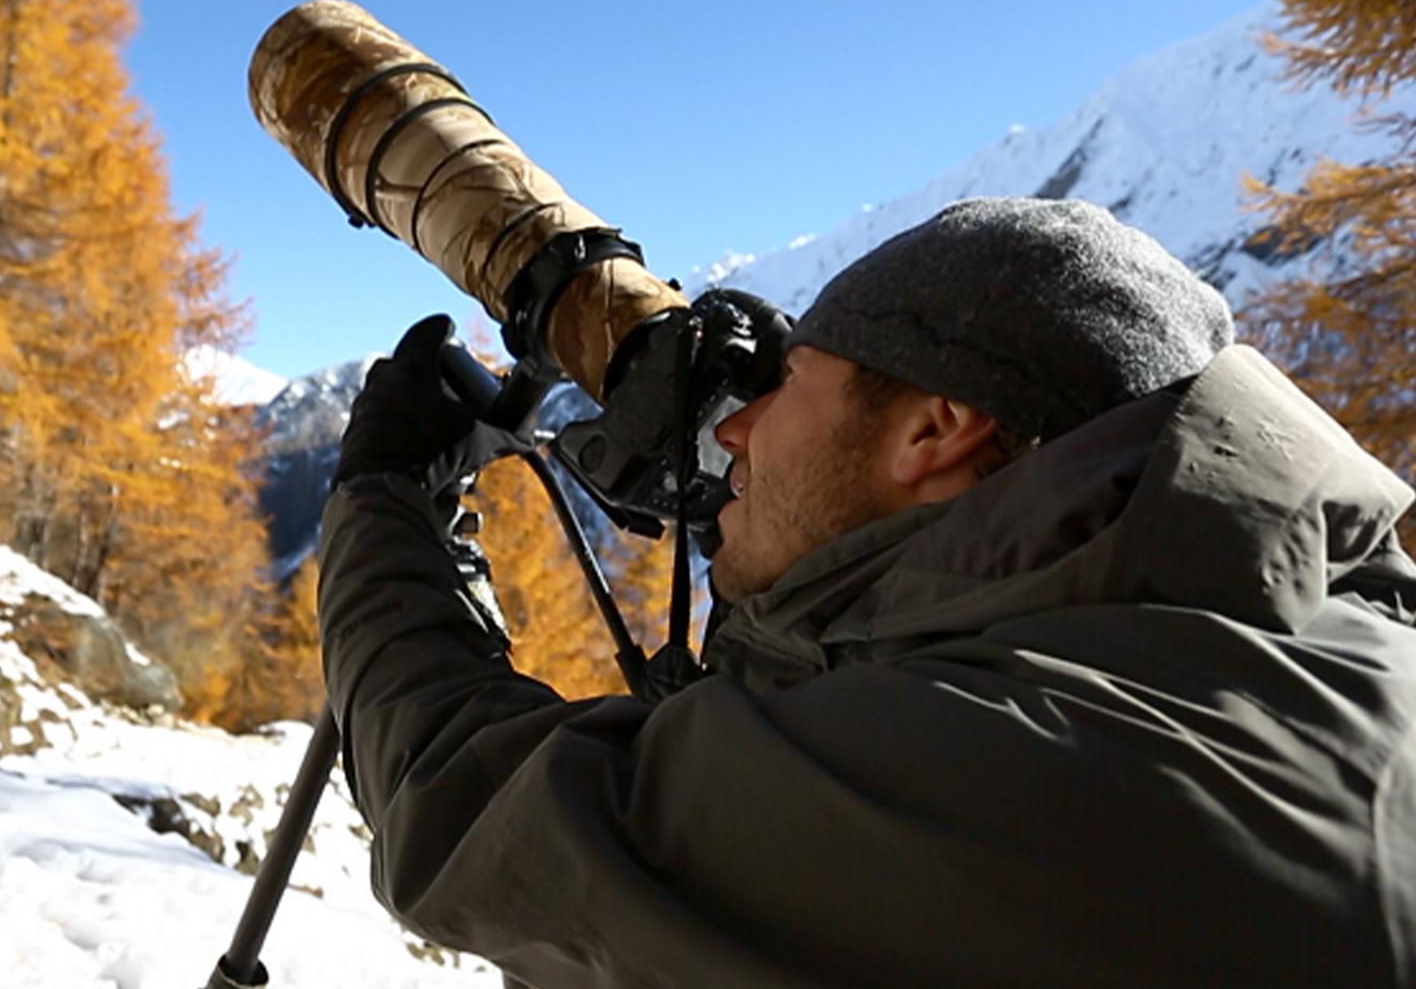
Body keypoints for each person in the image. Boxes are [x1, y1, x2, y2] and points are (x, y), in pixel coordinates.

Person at [318, 197, 1416, 987]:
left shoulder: (1006, 760)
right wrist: (801, 511)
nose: (735, 428)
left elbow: (467, 814)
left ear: (937, 430)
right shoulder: (1326, 632)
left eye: (788, 387)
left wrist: (391, 496)